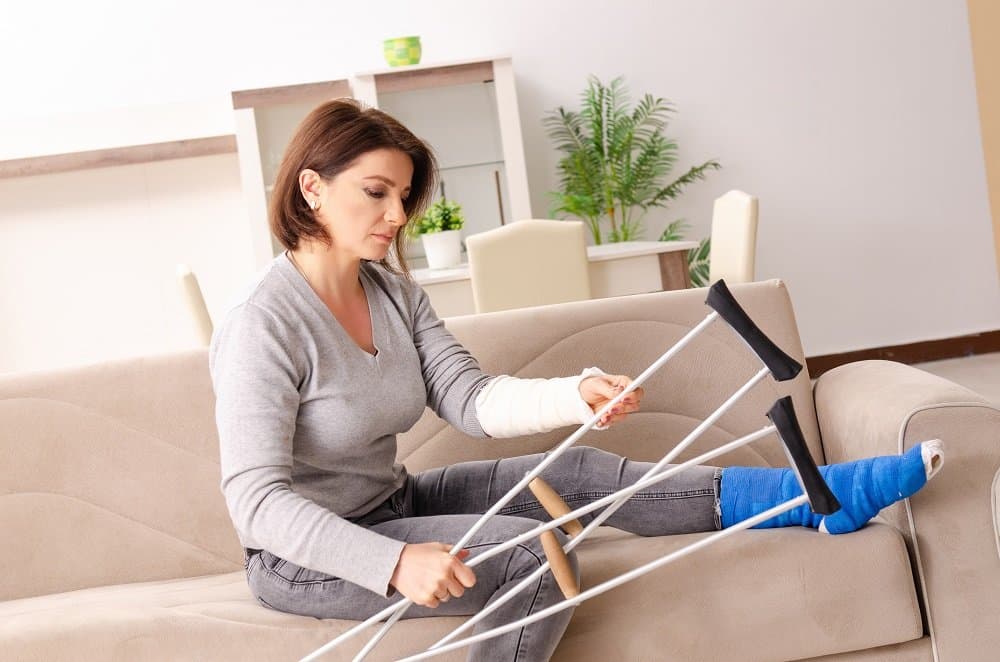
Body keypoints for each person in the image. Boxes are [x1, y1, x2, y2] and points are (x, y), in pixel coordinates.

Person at [208, 98, 944, 662]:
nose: (397, 216)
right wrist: (392, 561)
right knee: (530, 550)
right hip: (303, 555)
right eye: (377, 193)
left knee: (581, 473)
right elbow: (255, 502)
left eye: (403, 197)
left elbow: (468, 397)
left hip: (390, 501)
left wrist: (575, 392)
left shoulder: (392, 293)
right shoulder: (263, 323)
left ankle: (813, 501)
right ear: (311, 187)